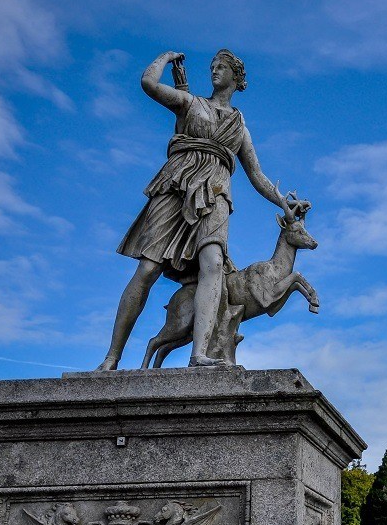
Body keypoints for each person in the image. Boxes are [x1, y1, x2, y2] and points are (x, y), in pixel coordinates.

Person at [97, 49, 299, 370]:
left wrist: (284, 203)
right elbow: (149, 84)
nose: (215, 71)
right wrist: (163, 58)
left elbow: (257, 176)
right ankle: (111, 357)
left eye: (221, 67)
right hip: (176, 184)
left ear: (236, 76)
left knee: (214, 264)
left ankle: (199, 354)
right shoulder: (190, 103)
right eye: (212, 67)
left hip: (216, 190)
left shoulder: (239, 127)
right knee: (148, 270)